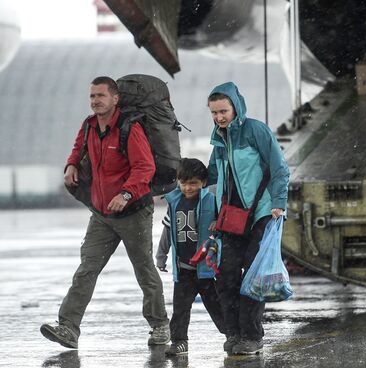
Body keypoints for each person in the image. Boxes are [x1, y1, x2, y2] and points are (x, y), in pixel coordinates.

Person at [40, 76, 169, 348]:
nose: (95, 101)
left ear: (115, 99)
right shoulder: (88, 126)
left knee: (144, 270)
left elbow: (145, 168)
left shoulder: (129, 128)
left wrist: (125, 194)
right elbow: (78, 149)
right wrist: (71, 166)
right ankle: (68, 328)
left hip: (133, 211)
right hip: (102, 213)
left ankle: (160, 326)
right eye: (92, 96)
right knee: (87, 269)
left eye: (100, 95)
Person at [206, 82, 290, 355]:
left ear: (236, 107)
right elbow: (213, 177)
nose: (219, 117)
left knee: (253, 277)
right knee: (226, 277)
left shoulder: (256, 130)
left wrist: (278, 203)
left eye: (223, 110)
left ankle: (252, 337)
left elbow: (279, 168)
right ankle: (233, 332)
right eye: (214, 112)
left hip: (262, 214)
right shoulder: (219, 139)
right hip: (231, 217)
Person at [155, 158, 225, 356]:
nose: (188, 187)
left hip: (206, 270)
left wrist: (218, 223)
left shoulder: (211, 201)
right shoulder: (174, 202)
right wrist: (161, 256)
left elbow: (223, 227)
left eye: (193, 183)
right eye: (183, 183)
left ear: (203, 182)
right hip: (183, 269)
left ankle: (232, 335)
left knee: (217, 306)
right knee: (180, 310)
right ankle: (179, 342)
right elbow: (167, 232)